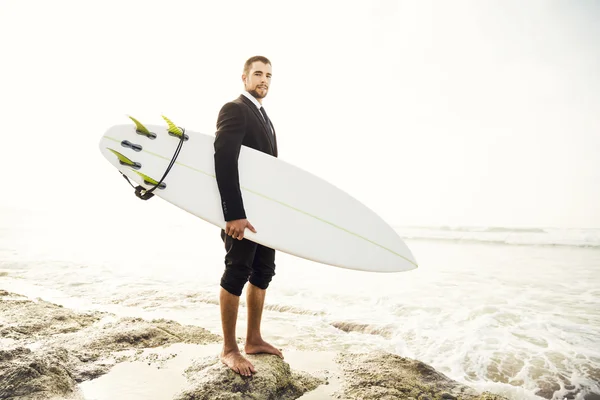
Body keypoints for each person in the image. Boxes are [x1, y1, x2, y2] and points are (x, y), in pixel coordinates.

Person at [213, 56, 282, 377]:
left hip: (263, 214)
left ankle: (253, 338)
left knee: (264, 271)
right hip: (242, 214)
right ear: (244, 78)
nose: (263, 79)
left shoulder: (265, 118)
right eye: (257, 74)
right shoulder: (235, 109)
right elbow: (224, 161)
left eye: (268, 75)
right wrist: (234, 214)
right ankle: (229, 348)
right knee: (237, 270)